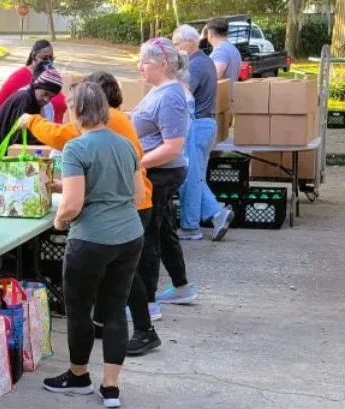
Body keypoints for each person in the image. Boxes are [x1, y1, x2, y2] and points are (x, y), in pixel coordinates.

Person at [21, 71, 161, 356]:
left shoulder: (95, 128)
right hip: (133, 203)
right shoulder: (115, 122)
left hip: (123, 209)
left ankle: (144, 330)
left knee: (123, 278)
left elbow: (61, 138)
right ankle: (108, 332)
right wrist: (63, 184)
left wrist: (32, 120)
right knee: (120, 275)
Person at [44, 83, 145, 409]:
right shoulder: (127, 144)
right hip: (129, 236)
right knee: (115, 309)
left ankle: (78, 376)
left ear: (77, 111)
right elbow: (138, 195)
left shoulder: (76, 148)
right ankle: (111, 386)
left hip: (90, 240)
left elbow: (72, 205)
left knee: (79, 309)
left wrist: (59, 223)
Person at [132, 38, 196, 307]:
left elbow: (173, 147)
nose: (139, 67)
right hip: (157, 172)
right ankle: (182, 286)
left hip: (160, 174)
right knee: (164, 230)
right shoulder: (159, 90)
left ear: (163, 63)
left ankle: (147, 302)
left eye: (145, 62)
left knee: (149, 237)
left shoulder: (170, 96)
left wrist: (138, 164)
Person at [173, 24, 232, 242]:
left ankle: (192, 226)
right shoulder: (206, 61)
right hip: (206, 125)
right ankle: (217, 214)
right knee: (195, 176)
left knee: (189, 177)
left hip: (196, 125)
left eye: (177, 43)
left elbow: (183, 93)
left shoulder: (195, 66)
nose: (175, 47)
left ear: (189, 42)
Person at [0, 63, 62, 148]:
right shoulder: (24, 99)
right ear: (36, 86)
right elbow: (20, 137)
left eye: (51, 97)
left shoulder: (34, 100)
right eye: (45, 94)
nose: (47, 99)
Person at [0, 39, 65, 123]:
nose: (49, 62)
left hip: (53, 132)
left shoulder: (52, 77)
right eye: (44, 58)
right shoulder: (19, 77)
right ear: (34, 56)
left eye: (51, 58)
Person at [206, 17, 242, 85]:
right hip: (230, 94)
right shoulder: (233, 49)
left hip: (221, 95)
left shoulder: (220, 51)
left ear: (210, 33)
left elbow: (216, 74)